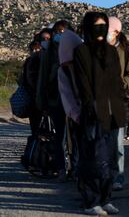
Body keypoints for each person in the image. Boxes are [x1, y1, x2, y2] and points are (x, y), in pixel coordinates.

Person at [73, 12, 124, 215]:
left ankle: (105, 197)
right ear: (87, 28)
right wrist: (89, 105)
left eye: (104, 26)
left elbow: (116, 80)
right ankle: (90, 200)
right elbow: (82, 83)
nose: (101, 30)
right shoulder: (81, 51)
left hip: (113, 111)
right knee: (93, 156)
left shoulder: (111, 52)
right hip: (93, 110)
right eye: (96, 26)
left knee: (110, 157)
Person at [36, 20, 72, 182]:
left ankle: (75, 167)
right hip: (55, 100)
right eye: (57, 32)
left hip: (73, 101)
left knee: (73, 137)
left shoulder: (75, 51)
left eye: (63, 31)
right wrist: (42, 102)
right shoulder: (48, 54)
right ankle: (61, 168)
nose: (59, 35)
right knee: (59, 136)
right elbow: (42, 79)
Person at [106, 17, 129, 190]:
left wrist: (120, 84)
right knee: (102, 142)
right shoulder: (97, 48)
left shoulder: (126, 51)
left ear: (116, 32)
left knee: (117, 143)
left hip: (118, 101)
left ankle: (118, 177)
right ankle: (104, 176)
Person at [57, 30, 83, 181]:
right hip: (74, 111)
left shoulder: (83, 64)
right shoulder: (63, 70)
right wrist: (75, 113)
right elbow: (66, 93)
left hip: (87, 109)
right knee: (70, 140)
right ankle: (74, 170)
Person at [23, 39, 42, 135]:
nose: (34, 51)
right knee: (35, 128)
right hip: (33, 98)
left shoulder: (44, 61)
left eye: (37, 49)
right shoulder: (29, 61)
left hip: (42, 97)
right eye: (32, 50)